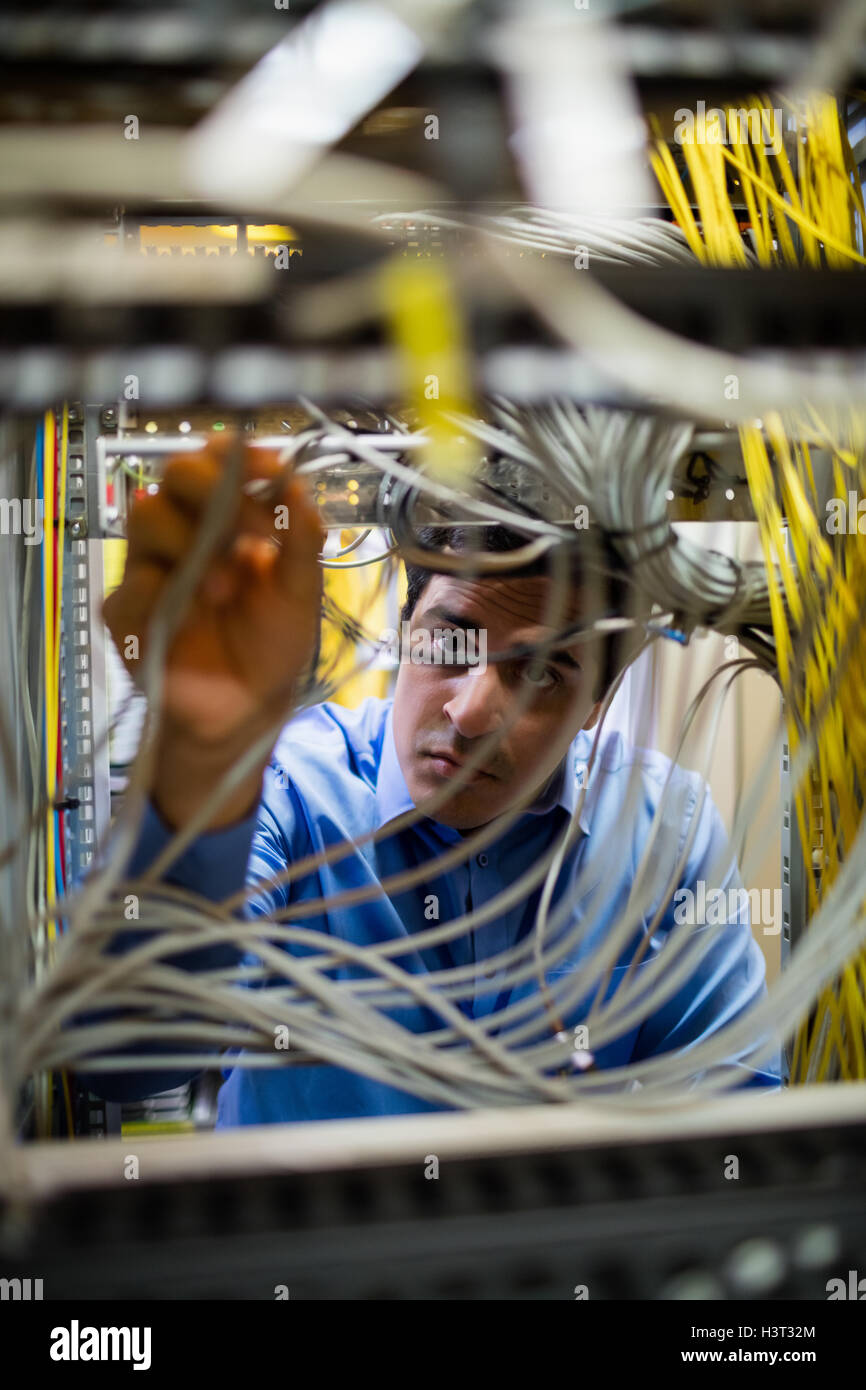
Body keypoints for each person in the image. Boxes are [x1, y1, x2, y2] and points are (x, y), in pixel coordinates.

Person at [83, 436, 780, 1125]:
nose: (473, 712)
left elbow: (736, 1123)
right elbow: (129, 1061)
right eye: (450, 643)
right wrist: (196, 763)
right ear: (407, 625)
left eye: (541, 673)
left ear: (596, 703)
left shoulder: (663, 832)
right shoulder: (286, 789)